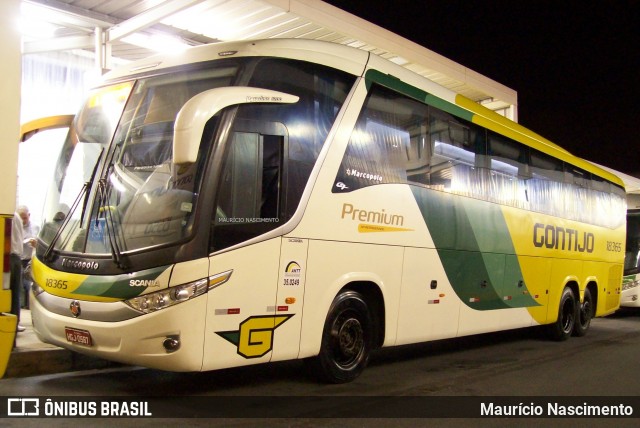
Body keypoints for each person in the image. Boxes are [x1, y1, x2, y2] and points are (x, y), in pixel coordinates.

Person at [17, 205, 38, 310]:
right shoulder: (16, 226)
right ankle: (21, 305)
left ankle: (29, 305)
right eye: (21, 218)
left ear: (29, 216)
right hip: (20, 258)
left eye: (25, 218)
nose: (23, 221)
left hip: (30, 259)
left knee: (29, 284)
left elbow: (38, 242)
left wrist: (35, 243)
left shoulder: (34, 227)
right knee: (20, 284)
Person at [9, 210, 25, 332]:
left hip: (8, 256)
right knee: (15, 294)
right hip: (17, 257)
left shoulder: (9, 215)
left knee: (10, 293)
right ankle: (15, 324)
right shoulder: (16, 216)